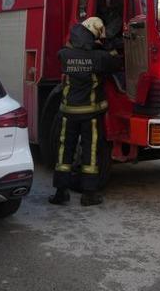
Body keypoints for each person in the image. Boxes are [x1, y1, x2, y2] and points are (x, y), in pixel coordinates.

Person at [49, 17, 122, 206]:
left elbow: (64, 52)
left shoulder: (64, 54)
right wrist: (106, 45)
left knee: (64, 152)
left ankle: (60, 193)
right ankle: (89, 194)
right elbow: (116, 62)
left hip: (68, 112)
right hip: (91, 115)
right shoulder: (99, 58)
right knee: (90, 152)